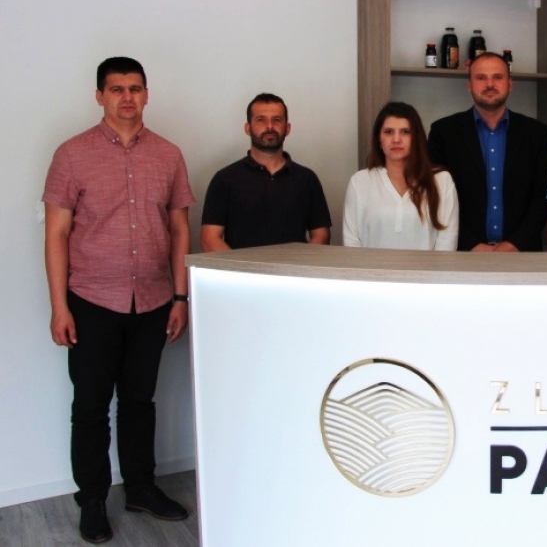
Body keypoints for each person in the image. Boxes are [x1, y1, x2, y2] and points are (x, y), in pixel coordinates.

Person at [42, 57, 193, 543]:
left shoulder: (169, 155)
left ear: (147, 94)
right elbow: (56, 232)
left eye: (135, 88)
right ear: (99, 96)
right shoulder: (72, 154)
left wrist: (180, 296)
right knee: (90, 406)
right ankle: (91, 500)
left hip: (152, 300)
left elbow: (179, 229)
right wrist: (59, 307)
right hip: (91, 301)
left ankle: (141, 488)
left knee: (139, 402)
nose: (127, 97)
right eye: (116, 89)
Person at [428, 52, 547, 252]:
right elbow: (436, 196)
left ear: (510, 84)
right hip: (462, 253)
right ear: (469, 85)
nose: (489, 84)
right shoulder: (443, 132)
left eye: (497, 77)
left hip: (522, 254)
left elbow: (543, 196)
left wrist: (515, 244)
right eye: (481, 77)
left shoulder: (536, 133)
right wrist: (471, 245)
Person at [200, 93, 331, 251]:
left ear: (288, 128)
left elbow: (321, 235)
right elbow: (209, 239)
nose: (269, 126)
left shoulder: (307, 179)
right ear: (247, 128)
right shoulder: (224, 179)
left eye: (277, 120)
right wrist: (241, 267)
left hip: (295, 267)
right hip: (239, 267)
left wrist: (300, 265)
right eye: (261, 120)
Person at [344, 102, 459, 250]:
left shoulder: (441, 181)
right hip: (371, 266)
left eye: (405, 132)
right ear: (379, 139)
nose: (396, 139)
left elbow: (446, 245)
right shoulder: (360, 182)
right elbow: (352, 242)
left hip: (427, 266)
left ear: (416, 138)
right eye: (388, 132)